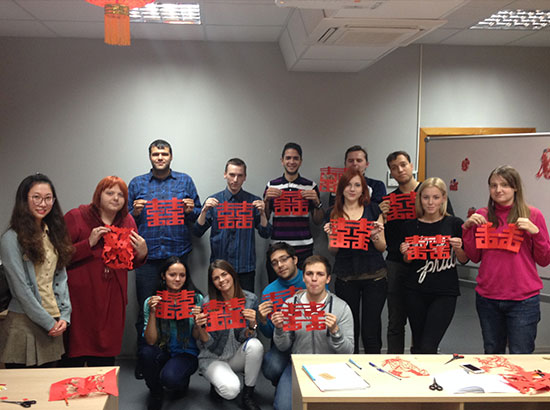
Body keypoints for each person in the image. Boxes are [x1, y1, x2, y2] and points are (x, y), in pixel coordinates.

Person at [128, 139, 201, 378]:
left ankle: (179, 355)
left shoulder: (185, 181)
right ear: (150, 156)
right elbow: (124, 220)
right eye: (156, 154)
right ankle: (145, 359)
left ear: (171, 156)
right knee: (147, 308)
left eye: (164, 153)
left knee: (180, 308)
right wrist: (134, 213)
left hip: (177, 255)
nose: (160, 157)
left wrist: (191, 210)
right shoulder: (137, 183)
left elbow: (199, 215)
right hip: (147, 258)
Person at [462, 165, 550, 354]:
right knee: (492, 354)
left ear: (515, 187)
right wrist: (467, 229)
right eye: (493, 185)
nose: (498, 190)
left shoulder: (533, 215)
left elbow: (544, 260)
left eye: (504, 185)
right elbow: (474, 257)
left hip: (523, 299)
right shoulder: (482, 215)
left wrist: (536, 232)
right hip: (488, 297)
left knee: (521, 355)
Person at [63, 176, 148, 367]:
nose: (116, 198)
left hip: (112, 299)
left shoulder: (127, 221)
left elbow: (129, 262)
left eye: (121, 195)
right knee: (74, 358)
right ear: (98, 195)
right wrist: (88, 243)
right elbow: (58, 257)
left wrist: (142, 254)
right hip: (80, 300)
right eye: (110, 193)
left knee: (104, 361)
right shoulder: (77, 216)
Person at [379, 151, 455, 354]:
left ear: (411, 166)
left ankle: (421, 356)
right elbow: (384, 236)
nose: (400, 170)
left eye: (403, 164)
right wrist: (382, 216)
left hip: (427, 265)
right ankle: (395, 361)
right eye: (394, 168)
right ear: (391, 173)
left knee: (423, 323)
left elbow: (447, 223)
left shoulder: (430, 191)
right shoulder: (389, 201)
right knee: (396, 320)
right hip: (397, 262)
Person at [0, 174, 74, 367]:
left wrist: (64, 315)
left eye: (48, 198)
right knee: (24, 384)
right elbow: (21, 289)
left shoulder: (53, 233)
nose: (43, 203)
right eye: (36, 197)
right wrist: (48, 323)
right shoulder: (11, 239)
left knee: (51, 383)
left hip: (54, 320)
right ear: (24, 200)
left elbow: (60, 278)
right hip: (24, 322)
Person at [271, 255, 354, 410]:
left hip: (331, 367)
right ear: (303, 278)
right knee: (283, 407)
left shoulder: (341, 307)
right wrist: (280, 328)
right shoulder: (290, 305)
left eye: (320, 274)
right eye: (309, 274)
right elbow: (283, 346)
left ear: (328, 279)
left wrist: (335, 331)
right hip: (299, 365)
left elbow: (348, 351)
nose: (314, 279)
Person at [398, 178, 468, 354]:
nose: (430, 202)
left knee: (429, 345)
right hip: (415, 290)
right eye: (426, 197)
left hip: (444, 292)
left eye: (435, 197)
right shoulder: (410, 226)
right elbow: (407, 261)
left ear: (443, 198)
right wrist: (405, 253)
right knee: (418, 343)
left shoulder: (454, 224)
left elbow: (464, 259)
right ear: (419, 199)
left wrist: (458, 248)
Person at [324, 168, 387, 354]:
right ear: (341, 188)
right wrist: (332, 236)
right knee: (350, 328)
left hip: (374, 276)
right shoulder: (333, 213)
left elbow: (382, 247)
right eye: (348, 185)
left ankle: (373, 366)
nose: (352, 189)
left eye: (357, 185)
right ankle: (351, 366)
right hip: (346, 277)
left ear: (363, 189)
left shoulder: (373, 209)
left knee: (371, 329)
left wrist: (375, 236)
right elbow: (333, 251)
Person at [193, 260, 263, 410]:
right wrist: (200, 327)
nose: (221, 280)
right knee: (231, 390)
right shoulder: (207, 303)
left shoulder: (250, 299)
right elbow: (207, 344)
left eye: (224, 274)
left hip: (236, 354)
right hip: (213, 356)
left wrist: (253, 324)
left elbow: (247, 337)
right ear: (212, 283)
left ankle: (248, 395)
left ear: (232, 274)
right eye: (216, 278)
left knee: (256, 345)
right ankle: (216, 382)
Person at [193, 158, 271, 292]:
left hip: (245, 266)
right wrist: (204, 211)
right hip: (220, 267)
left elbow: (266, 233)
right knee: (219, 304)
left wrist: (263, 214)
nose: (235, 180)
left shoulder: (253, 201)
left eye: (240, 175)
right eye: (232, 175)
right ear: (225, 175)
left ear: (245, 177)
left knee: (246, 303)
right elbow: (197, 231)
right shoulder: (214, 201)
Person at [141, 257, 203, 410]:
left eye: (182, 275)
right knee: (146, 353)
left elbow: (198, 337)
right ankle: (156, 393)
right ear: (163, 276)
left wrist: (198, 322)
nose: (177, 279)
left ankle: (181, 382)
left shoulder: (196, 299)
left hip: (186, 352)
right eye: (172, 275)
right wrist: (153, 312)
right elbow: (150, 341)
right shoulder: (151, 301)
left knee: (170, 379)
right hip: (162, 349)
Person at [264, 142, 324, 282]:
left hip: (304, 249)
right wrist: (266, 200)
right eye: (288, 158)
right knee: (278, 291)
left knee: (305, 290)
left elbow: (318, 221)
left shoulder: (310, 186)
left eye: (295, 158)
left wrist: (317, 202)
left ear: (301, 161)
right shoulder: (272, 185)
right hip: (278, 250)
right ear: (282, 160)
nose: (292, 162)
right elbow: (265, 219)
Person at [257, 242, 306, 386]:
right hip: (284, 343)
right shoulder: (269, 291)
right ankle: (284, 382)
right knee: (271, 367)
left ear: (294, 259)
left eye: (284, 259)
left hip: (311, 340)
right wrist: (263, 320)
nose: (280, 265)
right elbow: (268, 334)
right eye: (275, 263)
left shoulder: (310, 279)